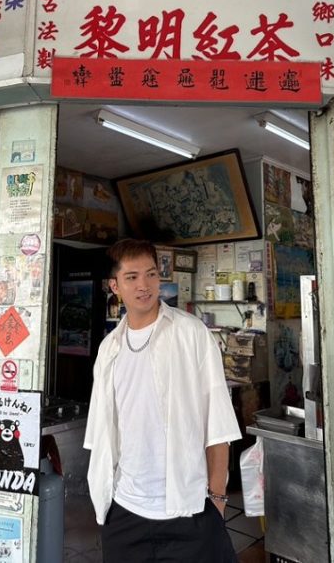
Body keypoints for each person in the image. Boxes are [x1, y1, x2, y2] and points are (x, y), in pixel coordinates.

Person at [85, 239, 240, 562]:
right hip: (125, 512)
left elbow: (218, 423)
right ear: (114, 286)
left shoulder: (191, 333)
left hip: (190, 508)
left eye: (151, 274)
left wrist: (217, 499)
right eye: (132, 277)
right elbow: (103, 432)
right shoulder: (109, 349)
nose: (144, 285)